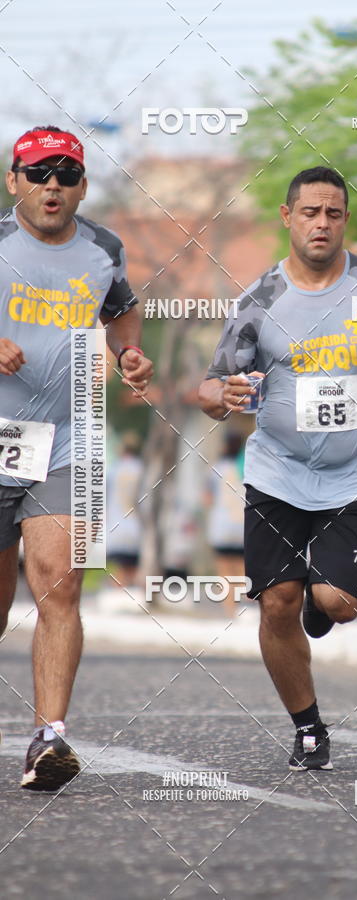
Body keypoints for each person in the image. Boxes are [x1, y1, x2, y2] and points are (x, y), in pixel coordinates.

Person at [198, 166, 357, 771]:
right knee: (276, 602)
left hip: (352, 474)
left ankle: (319, 604)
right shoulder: (259, 301)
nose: (321, 223)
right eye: (309, 212)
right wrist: (222, 395)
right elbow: (209, 386)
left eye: (332, 213)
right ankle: (308, 727)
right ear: (287, 218)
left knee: (338, 602)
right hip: (277, 472)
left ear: (345, 219)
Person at [0, 125, 153, 791]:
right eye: (39, 174)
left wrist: (129, 353)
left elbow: (122, 310)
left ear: (83, 186)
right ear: (14, 181)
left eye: (66, 174)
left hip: (66, 438)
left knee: (60, 581)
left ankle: (49, 738)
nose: (52, 186)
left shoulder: (104, 249)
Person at [204, 431, 246, 618]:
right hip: (243, 526)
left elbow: (207, 499)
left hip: (221, 526)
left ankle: (231, 612)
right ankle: (244, 607)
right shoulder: (248, 467)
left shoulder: (217, 468)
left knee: (224, 571)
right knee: (242, 569)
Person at [106, 430, 144, 587]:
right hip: (135, 525)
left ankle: (119, 592)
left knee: (118, 568)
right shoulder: (141, 468)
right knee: (133, 568)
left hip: (116, 524)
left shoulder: (114, 469)